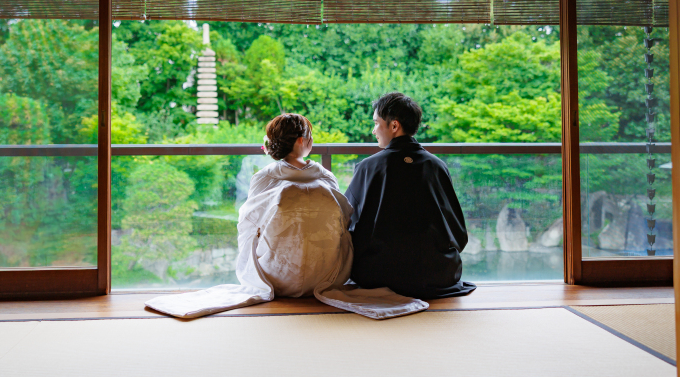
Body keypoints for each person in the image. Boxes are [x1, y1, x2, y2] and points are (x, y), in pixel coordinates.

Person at [146, 113, 427, 320]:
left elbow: (247, 226)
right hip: (325, 276)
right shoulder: (325, 177)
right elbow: (343, 221)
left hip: (276, 276)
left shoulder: (264, 177)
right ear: (303, 141)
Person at [345, 93, 477, 299]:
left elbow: (346, 222)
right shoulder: (436, 166)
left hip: (378, 275)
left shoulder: (367, 167)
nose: (373, 130)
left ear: (394, 126)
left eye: (376, 123)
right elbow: (458, 232)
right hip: (436, 274)